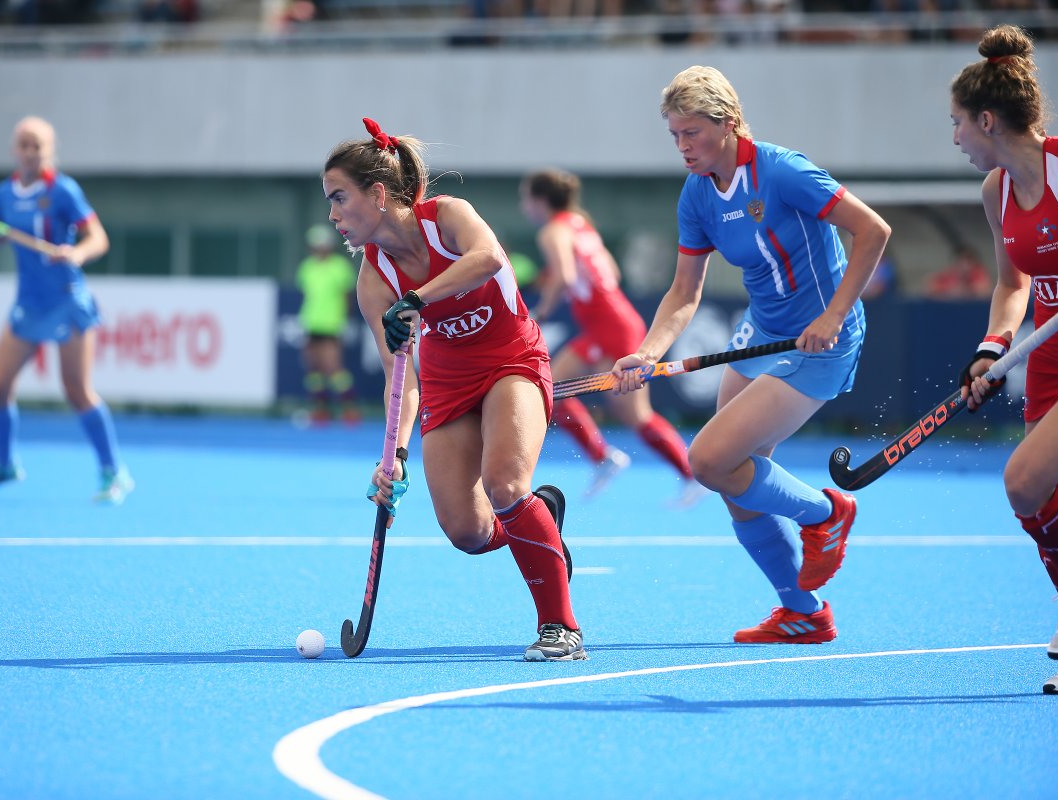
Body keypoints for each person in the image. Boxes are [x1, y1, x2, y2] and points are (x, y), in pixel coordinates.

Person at [612, 66, 891, 644]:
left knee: (710, 460)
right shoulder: (696, 194)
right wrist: (646, 352)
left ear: (729, 124)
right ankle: (802, 610)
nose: (683, 147)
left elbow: (874, 232)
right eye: (674, 136)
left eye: (692, 133)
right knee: (734, 478)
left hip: (821, 339)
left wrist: (834, 314)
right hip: (761, 333)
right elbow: (684, 292)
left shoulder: (783, 171)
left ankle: (826, 514)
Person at [323, 118, 585, 661]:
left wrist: (417, 300)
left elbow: (488, 259)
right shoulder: (373, 281)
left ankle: (560, 626)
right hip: (445, 381)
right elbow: (402, 380)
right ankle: (542, 520)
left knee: (505, 482)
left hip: (512, 359)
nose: (332, 216)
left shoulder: (448, 218)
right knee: (466, 531)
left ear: (377, 194)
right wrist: (392, 457)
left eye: (339, 198)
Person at [952, 25, 1058, 695]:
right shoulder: (995, 192)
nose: (956, 138)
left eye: (959, 125)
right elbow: (1013, 284)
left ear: (987, 120)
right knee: (1032, 490)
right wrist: (991, 350)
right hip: (1048, 353)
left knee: (1020, 474)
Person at [0, 116, 134, 505]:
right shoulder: (4, 193)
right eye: (23, 144)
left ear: (49, 150)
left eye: (37, 145)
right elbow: (2, 237)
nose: (29, 152)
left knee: (77, 391)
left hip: (67, 301)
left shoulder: (63, 191)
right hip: (29, 302)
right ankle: (4, 463)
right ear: (13, 149)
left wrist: (75, 252)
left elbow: (98, 238)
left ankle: (114, 472)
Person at [519, 168, 701, 502]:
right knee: (555, 389)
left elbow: (564, 275)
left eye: (526, 198)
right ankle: (605, 458)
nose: (524, 206)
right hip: (608, 323)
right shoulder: (580, 224)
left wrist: (538, 314)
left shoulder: (553, 230)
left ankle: (685, 474)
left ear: (540, 200)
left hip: (610, 327)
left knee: (626, 412)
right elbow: (609, 272)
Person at [295, 223, 359, 423]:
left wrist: (345, 320)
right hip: (311, 323)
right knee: (313, 367)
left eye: (322, 244)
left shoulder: (339, 267)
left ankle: (349, 410)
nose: (318, 248)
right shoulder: (307, 267)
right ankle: (321, 410)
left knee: (333, 367)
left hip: (332, 324)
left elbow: (347, 296)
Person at [923, 243, 994, 300]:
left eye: (968, 261)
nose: (964, 265)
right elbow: (930, 289)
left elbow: (984, 291)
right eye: (962, 261)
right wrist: (948, 291)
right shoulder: (948, 274)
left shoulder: (979, 273)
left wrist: (967, 290)